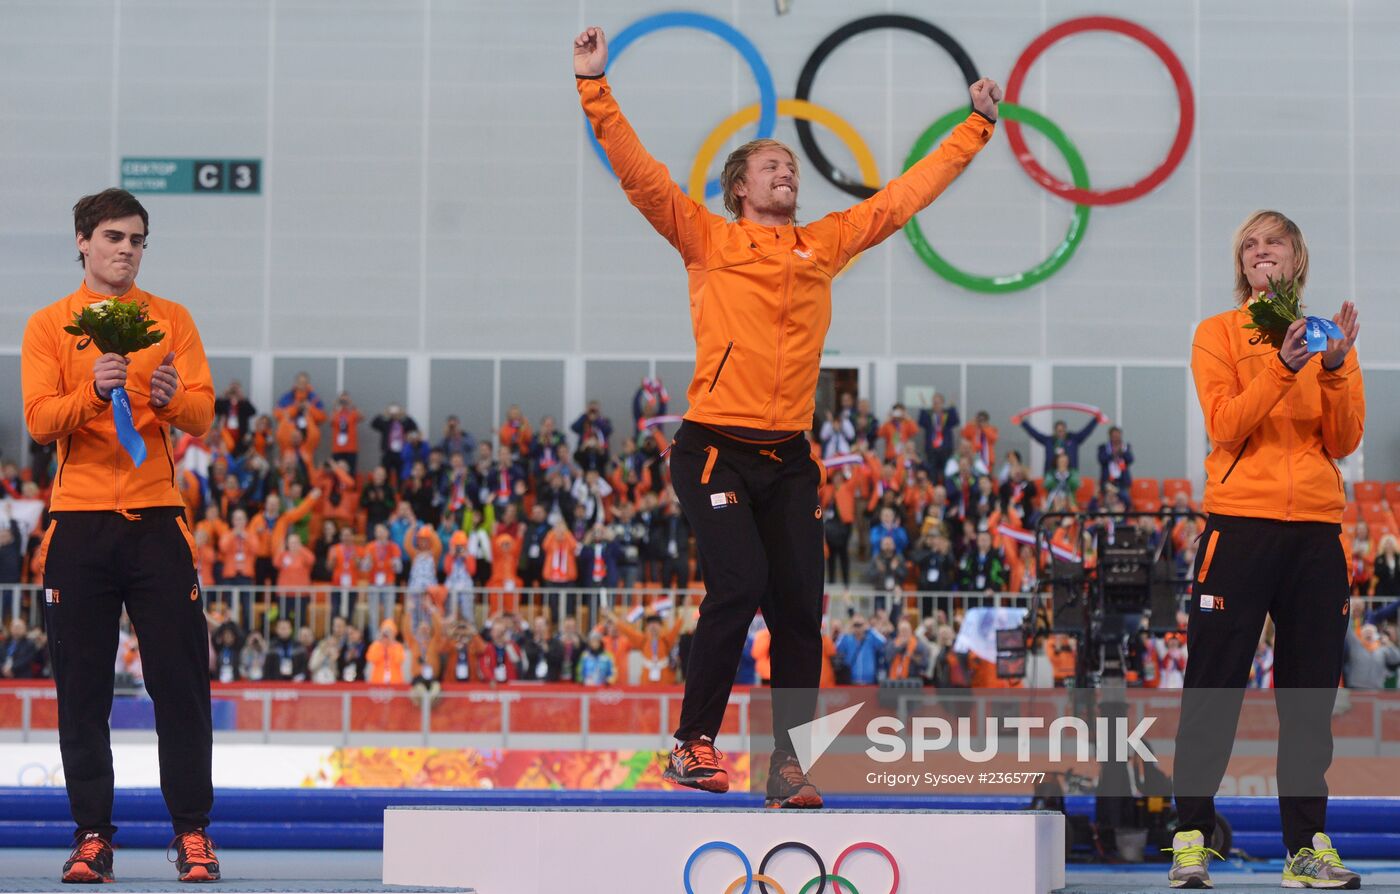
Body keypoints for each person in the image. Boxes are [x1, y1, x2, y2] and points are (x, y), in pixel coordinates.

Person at [574, 26, 1000, 806]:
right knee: (738, 584)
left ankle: (788, 766)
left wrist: (973, 128)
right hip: (714, 448)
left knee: (801, 613)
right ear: (740, 185)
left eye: (792, 167)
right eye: (773, 165)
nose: (788, 173)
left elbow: (901, 198)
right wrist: (594, 87)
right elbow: (641, 176)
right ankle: (692, 745)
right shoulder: (707, 238)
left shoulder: (824, 244)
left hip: (789, 458)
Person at [21, 188, 220, 882]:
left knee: (181, 684)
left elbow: (202, 414)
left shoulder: (170, 320)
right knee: (81, 691)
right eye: (112, 237)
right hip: (77, 526)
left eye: (137, 239)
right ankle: (92, 837)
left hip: (157, 522)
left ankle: (193, 833)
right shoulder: (50, 325)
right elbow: (39, 420)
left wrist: (168, 397)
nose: (125, 249)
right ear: (82, 241)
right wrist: (90, 393)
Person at [1167, 210, 1364, 890]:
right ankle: (1190, 836)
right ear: (1241, 265)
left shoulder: (1329, 338)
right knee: (1212, 688)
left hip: (1315, 533)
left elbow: (1342, 441)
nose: (1259, 252)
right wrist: (1280, 368)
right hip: (1238, 527)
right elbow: (1225, 423)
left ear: (1296, 257)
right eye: (1248, 245)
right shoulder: (1218, 333)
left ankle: (1306, 848)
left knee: (1308, 697)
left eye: (1271, 242)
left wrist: (1333, 370)